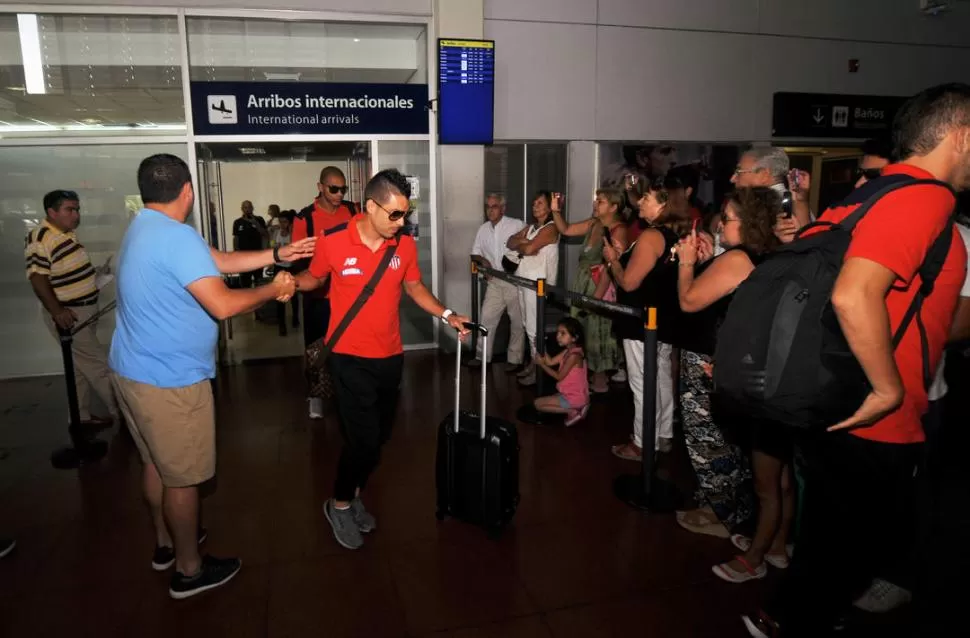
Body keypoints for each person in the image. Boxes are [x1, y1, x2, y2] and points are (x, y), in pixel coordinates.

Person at [742, 83, 970, 638]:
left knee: (831, 536)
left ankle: (786, 614)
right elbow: (851, 295)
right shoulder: (925, 198)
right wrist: (888, 388)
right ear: (962, 137)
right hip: (876, 416)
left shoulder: (858, 199)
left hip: (828, 397)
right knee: (859, 543)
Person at [109, 154, 314, 599]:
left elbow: (215, 259)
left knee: (155, 463)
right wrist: (273, 287)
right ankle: (189, 569)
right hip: (171, 381)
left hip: (132, 371)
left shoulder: (144, 227)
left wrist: (276, 253)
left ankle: (166, 543)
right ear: (188, 191)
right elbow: (221, 305)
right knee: (183, 478)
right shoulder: (177, 237)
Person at [294, 169, 470, 551]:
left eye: (405, 214)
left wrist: (446, 314)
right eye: (394, 214)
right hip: (348, 358)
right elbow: (314, 278)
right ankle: (339, 503)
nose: (402, 222)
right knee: (364, 440)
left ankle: (354, 495)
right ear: (371, 207)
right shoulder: (333, 241)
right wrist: (289, 282)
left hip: (390, 357)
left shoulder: (402, 246)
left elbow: (414, 286)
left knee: (379, 439)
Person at [675, 189, 791, 585]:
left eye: (728, 218)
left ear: (750, 222)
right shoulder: (775, 255)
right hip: (763, 369)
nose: (721, 224)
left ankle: (733, 526)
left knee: (721, 450)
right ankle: (775, 543)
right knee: (776, 473)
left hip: (723, 366)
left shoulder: (739, 258)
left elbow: (690, 301)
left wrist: (687, 264)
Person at [603, 178, 689, 461]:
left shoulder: (652, 236)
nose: (640, 201)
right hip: (662, 320)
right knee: (661, 377)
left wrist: (612, 260)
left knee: (642, 383)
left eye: (647, 198)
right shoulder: (673, 235)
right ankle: (662, 434)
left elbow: (628, 283)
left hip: (641, 322)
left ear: (663, 205)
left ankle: (643, 443)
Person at [25, 189, 120, 428]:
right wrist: (58, 312)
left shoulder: (65, 234)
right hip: (70, 314)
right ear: (51, 211)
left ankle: (81, 418)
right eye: (69, 209)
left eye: (77, 209)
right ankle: (125, 414)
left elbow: (64, 271)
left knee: (79, 368)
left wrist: (96, 276)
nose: (76, 215)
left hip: (84, 310)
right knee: (98, 366)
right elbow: (38, 278)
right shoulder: (41, 237)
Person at [292, 166, 356, 419]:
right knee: (316, 349)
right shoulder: (304, 218)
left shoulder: (352, 211)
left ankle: (344, 391)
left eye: (343, 189)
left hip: (347, 296)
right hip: (318, 298)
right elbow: (298, 259)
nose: (339, 194)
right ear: (320, 187)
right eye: (333, 189)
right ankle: (316, 395)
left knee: (347, 347)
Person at [550, 189, 628, 393]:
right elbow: (565, 230)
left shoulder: (618, 230)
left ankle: (600, 381)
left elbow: (609, 270)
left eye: (601, 201)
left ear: (614, 207)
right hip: (582, 283)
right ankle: (585, 379)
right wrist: (556, 212)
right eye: (596, 200)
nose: (595, 204)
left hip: (599, 287)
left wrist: (594, 300)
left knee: (597, 332)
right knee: (581, 331)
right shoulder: (593, 223)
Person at [506, 191, 561, 386]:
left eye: (540, 203)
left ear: (549, 207)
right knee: (528, 326)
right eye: (533, 203)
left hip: (537, 285)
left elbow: (528, 250)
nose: (535, 206)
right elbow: (510, 242)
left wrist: (526, 246)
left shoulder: (551, 228)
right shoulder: (531, 228)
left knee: (534, 328)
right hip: (524, 281)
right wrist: (526, 243)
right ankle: (533, 364)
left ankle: (539, 369)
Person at [469, 194, 526, 369]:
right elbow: (474, 253)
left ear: (503, 209)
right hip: (494, 281)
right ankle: (481, 358)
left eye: (494, 206)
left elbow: (528, 246)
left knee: (517, 322)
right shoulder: (483, 229)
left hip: (514, 281)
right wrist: (483, 262)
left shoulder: (516, 224)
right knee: (486, 318)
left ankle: (514, 360)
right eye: (488, 206)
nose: (490, 210)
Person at [532, 317, 590, 426]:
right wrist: (542, 346)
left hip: (574, 397)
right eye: (558, 332)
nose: (558, 336)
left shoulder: (574, 356)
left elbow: (559, 376)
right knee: (550, 398)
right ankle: (579, 406)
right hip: (572, 394)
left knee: (537, 404)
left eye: (563, 333)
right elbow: (550, 362)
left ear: (574, 338)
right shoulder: (568, 351)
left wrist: (541, 364)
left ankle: (573, 411)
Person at [272, 211, 300, 337]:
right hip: (279, 267)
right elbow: (272, 247)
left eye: (284, 222)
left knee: (293, 295)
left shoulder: (293, 234)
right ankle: (282, 324)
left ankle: (295, 318)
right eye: (280, 221)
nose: (282, 224)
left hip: (291, 267)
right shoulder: (276, 233)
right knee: (279, 295)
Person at [231, 200, 268, 287]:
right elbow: (236, 238)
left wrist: (255, 223)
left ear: (252, 208)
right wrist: (236, 252)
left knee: (259, 282)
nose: (247, 209)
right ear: (242, 209)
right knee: (245, 282)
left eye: (249, 207)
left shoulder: (259, 219)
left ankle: (260, 299)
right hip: (243, 257)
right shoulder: (237, 222)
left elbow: (265, 234)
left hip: (257, 255)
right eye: (245, 207)